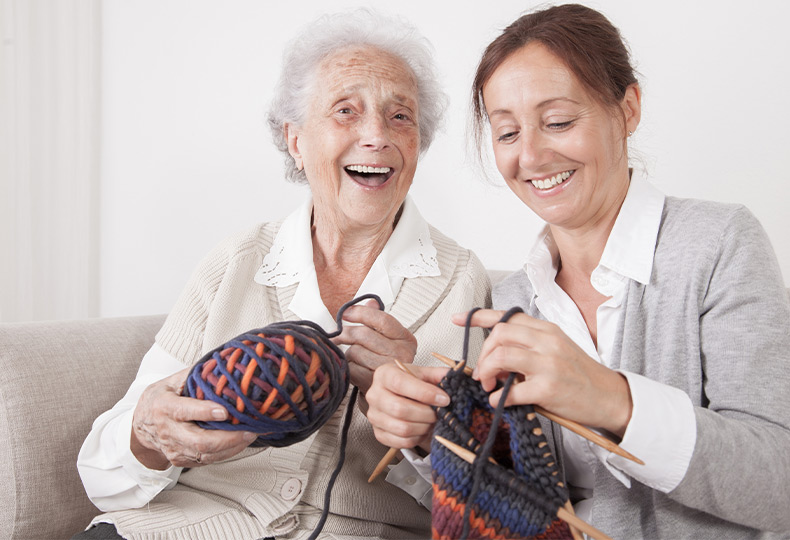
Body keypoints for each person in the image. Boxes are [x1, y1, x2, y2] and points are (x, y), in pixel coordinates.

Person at [365, 4, 790, 538]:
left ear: (628, 109)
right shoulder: (509, 301)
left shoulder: (717, 244)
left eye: (559, 122)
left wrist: (609, 398)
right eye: (507, 132)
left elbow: (778, 483)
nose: (531, 156)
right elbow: (510, 503)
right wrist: (436, 436)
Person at [75, 9, 490, 540]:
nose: (376, 135)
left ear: (417, 146)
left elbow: (481, 503)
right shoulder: (237, 261)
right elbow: (104, 476)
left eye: (400, 116)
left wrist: (416, 426)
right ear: (296, 140)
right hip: (187, 526)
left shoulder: (461, 281)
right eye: (345, 111)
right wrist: (148, 432)